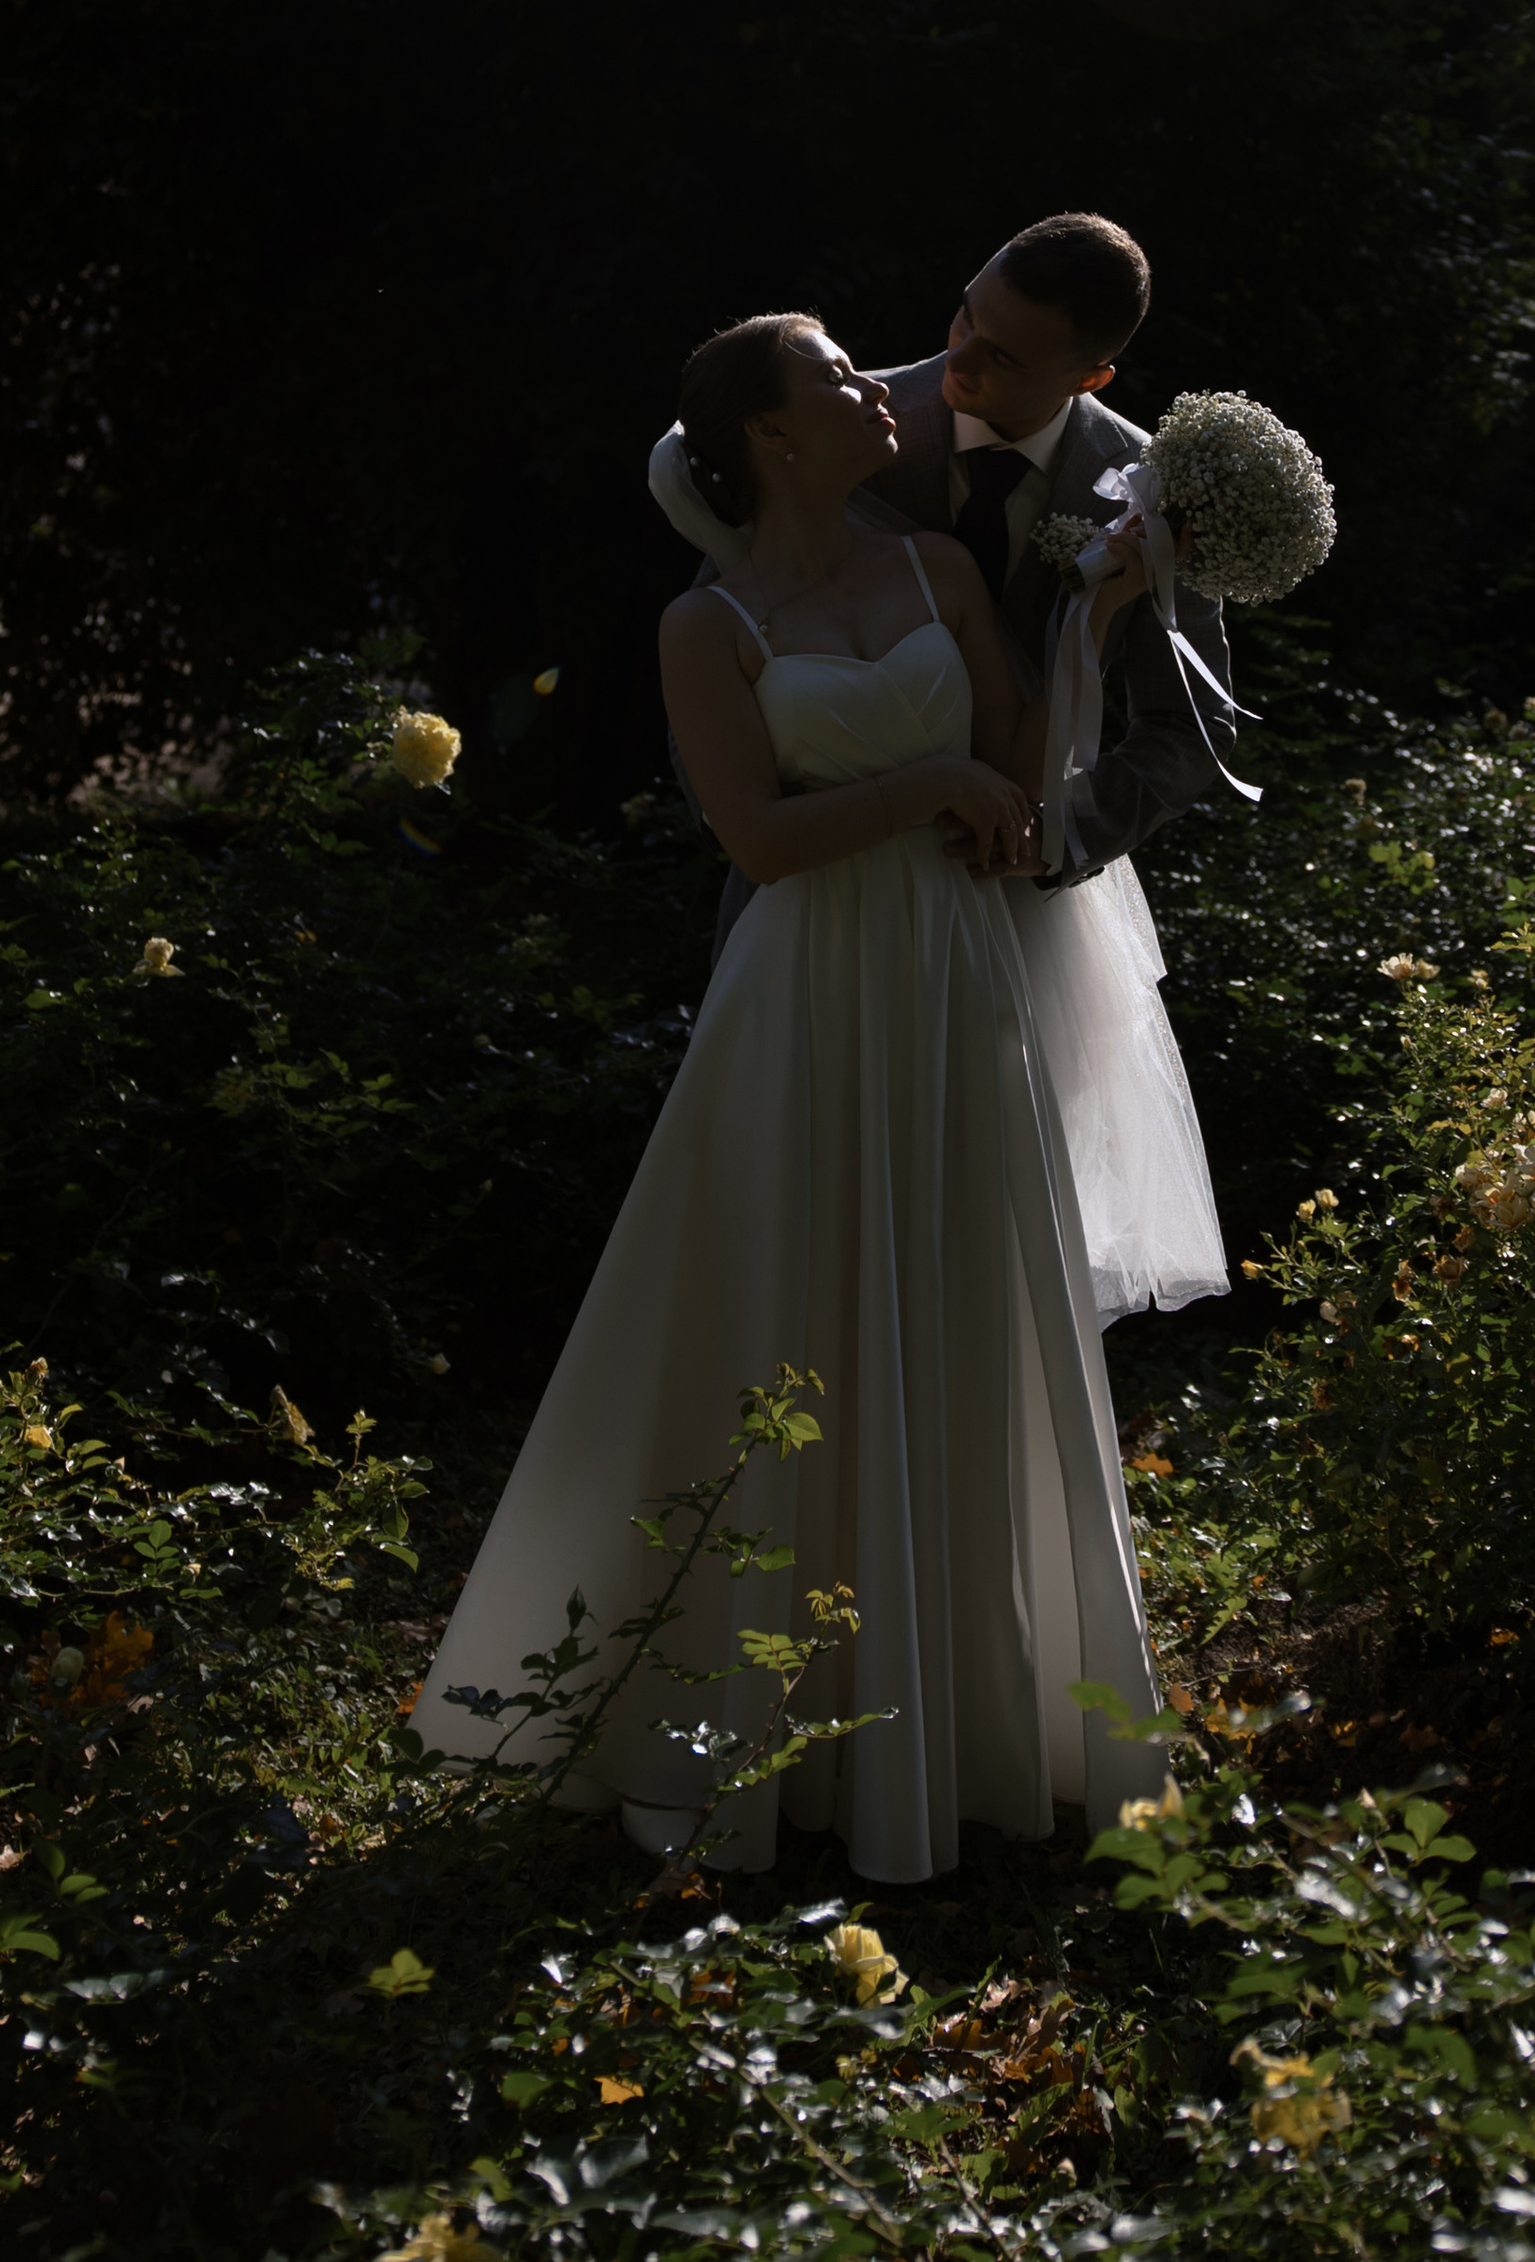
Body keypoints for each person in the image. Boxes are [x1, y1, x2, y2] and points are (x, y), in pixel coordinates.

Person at [413, 312, 1168, 1881]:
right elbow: (756, 837)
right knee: (785, 1318)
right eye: (831, 375)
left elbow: (1021, 782)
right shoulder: (712, 623)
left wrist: (1091, 624)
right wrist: (924, 791)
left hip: (955, 981)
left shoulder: (940, 571)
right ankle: (736, 1721)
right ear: (766, 434)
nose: (873, 386)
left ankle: (964, 1715)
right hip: (810, 985)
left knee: (956, 1304)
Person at [654, 213, 1230, 1325]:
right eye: (965, 315)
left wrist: (1045, 837)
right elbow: (732, 666)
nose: (955, 362)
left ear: (1088, 373)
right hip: (823, 898)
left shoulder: (1146, 485)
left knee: (982, 1258)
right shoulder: (836, 415)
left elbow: (1187, 728)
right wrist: (786, 832)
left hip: (1021, 911)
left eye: (1003, 356)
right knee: (799, 1258)